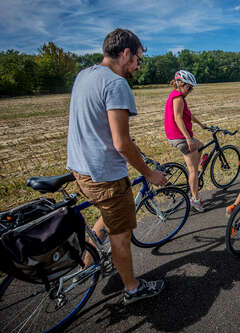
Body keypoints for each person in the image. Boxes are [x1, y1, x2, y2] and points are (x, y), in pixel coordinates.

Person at [66, 28, 167, 305]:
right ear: (126, 53)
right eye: (138, 59)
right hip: (105, 175)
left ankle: (88, 263)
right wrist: (149, 173)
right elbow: (122, 144)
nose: (137, 65)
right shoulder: (117, 84)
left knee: (107, 213)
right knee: (120, 236)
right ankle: (133, 288)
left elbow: (95, 123)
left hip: (80, 168)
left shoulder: (84, 75)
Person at [164, 70, 207, 212]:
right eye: (189, 87)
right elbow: (178, 118)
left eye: (192, 88)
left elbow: (189, 115)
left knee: (200, 145)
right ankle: (195, 199)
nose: (190, 90)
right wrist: (188, 138)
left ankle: (194, 170)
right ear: (180, 84)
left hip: (178, 135)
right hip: (180, 137)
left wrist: (201, 124)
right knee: (193, 170)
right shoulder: (178, 98)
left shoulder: (178, 96)